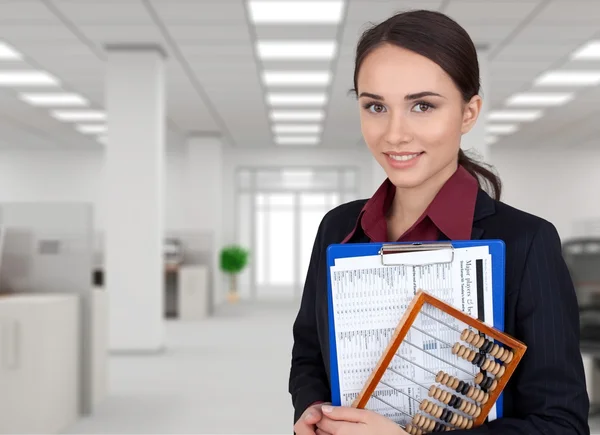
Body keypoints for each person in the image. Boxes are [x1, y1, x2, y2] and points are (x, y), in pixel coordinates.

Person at [288, 8, 590, 435]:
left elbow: (561, 425)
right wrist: (315, 409)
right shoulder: (338, 228)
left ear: (469, 113)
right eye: (375, 106)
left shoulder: (527, 242)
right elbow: (309, 353)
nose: (394, 133)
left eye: (422, 106)